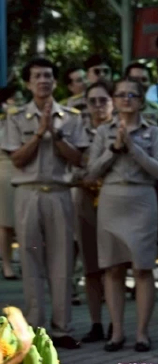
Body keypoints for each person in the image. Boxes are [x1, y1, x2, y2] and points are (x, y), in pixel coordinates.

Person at [4, 59, 89, 348]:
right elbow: (16, 158)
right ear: (28, 83)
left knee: (62, 259)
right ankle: (35, 328)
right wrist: (39, 133)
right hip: (28, 193)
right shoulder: (16, 117)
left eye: (48, 76)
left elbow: (79, 158)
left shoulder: (71, 116)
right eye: (38, 76)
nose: (43, 81)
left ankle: (62, 328)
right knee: (30, 260)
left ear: (55, 82)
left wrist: (56, 134)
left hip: (59, 192)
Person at [87, 78, 158, 352]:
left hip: (142, 199)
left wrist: (133, 148)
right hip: (111, 199)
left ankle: (142, 333)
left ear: (141, 100)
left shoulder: (152, 131)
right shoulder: (103, 131)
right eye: (120, 95)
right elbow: (92, 172)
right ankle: (117, 332)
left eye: (132, 94)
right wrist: (115, 149)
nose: (126, 99)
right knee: (112, 268)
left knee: (143, 268)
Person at [72, 81, 114, 342]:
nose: (98, 106)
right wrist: (82, 177)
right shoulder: (77, 133)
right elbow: (69, 166)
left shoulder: (120, 129)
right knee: (90, 267)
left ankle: (115, 323)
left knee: (113, 266)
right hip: (86, 201)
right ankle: (96, 323)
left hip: (114, 202)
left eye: (103, 100)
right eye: (93, 101)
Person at [0, 86, 21, 281]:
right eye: (15, 99)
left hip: (25, 171)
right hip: (4, 171)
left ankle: (26, 262)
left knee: (25, 223)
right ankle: (6, 264)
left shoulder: (26, 118)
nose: (18, 102)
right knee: (6, 223)